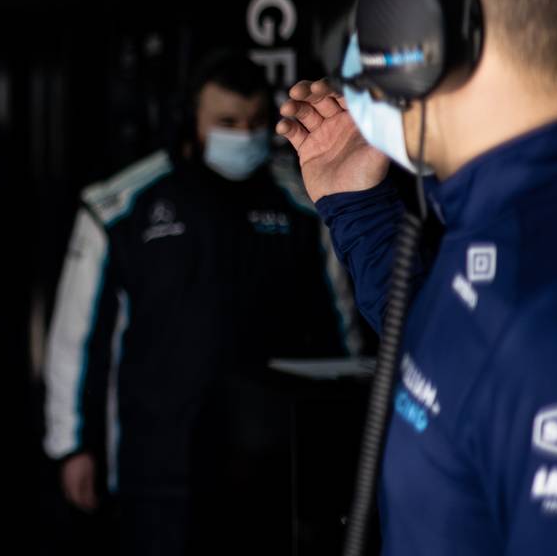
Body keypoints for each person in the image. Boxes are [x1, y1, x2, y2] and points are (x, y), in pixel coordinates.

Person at [277, 0, 557, 553]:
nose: (360, 31)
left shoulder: (544, 318)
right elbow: (446, 338)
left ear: (431, 21)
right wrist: (353, 205)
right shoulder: (499, 226)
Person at [44, 52, 351, 554]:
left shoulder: (304, 204)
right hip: (159, 464)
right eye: (226, 123)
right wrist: (72, 445)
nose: (243, 134)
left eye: (254, 123)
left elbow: (342, 327)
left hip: (275, 465)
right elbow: (76, 337)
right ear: (191, 120)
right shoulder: (121, 206)